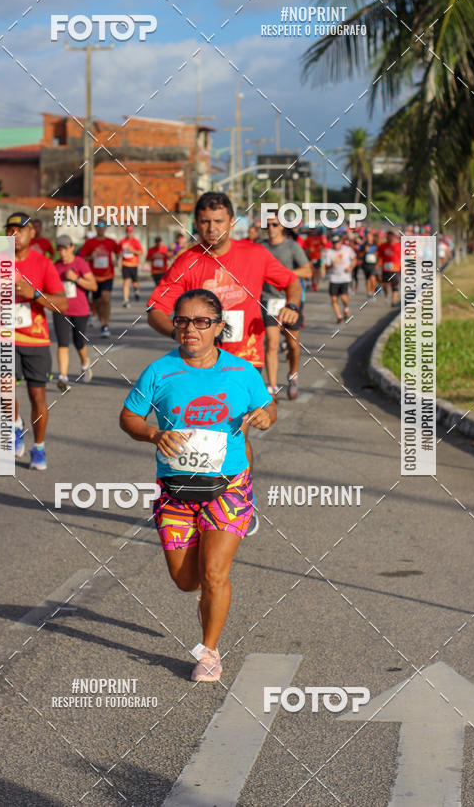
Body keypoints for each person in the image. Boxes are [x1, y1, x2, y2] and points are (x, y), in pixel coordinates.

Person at [121, 288, 276, 682]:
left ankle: (209, 652)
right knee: (186, 581)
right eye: (183, 321)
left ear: (219, 327)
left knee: (214, 574)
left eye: (202, 321)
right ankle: (204, 609)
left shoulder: (241, 372)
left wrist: (263, 416)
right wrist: (154, 435)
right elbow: (128, 418)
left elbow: (268, 408)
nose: (191, 329)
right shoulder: (159, 371)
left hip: (229, 487)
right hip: (174, 492)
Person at [147, 191, 301, 537]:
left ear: (232, 222)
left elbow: (291, 281)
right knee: (201, 432)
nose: (211, 228)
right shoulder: (186, 261)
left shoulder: (255, 254)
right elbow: (155, 309)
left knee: (237, 432)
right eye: (204, 222)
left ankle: (240, 501)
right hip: (197, 364)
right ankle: (195, 500)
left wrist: (293, 305)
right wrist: (180, 334)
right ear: (195, 224)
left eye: (218, 221)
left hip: (244, 360)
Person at [5, 212, 67, 470]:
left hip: (36, 340)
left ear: (32, 233)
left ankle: (38, 447)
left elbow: (62, 304)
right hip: (5, 336)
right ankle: (16, 425)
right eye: (10, 229)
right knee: (4, 389)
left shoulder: (43, 264)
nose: (14, 234)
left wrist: (36, 294)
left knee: (37, 396)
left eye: (20, 229)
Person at [260, 215, 313, 400]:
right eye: (268, 224)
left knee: (292, 343)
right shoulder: (260, 247)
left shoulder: (292, 246)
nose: (271, 227)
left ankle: (293, 374)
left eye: (275, 224)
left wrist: (283, 275)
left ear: (282, 226)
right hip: (268, 300)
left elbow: (307, 270)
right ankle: (273, 387)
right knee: (272, 344)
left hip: (290, 300)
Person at [53, 234, 97, 391]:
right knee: (62, 342)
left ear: (72, 247)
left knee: (79, 341)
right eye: (60, 249)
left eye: (65, 249)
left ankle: (85, 363)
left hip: (80, 310)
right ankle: (63, 377)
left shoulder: (80, 263)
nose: (62, 252)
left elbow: (93, 286)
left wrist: (76, 279)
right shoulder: (55, 266)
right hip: (61, 309)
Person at [78, 221, 119, 338]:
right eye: (98, 226)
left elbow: (118, 252)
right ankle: (95, 314)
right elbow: (81, 258)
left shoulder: (111, 242)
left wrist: (116, 260)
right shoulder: (90, 242)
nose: (100, 228)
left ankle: (104, 325)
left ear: (105, 227)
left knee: (105, 299)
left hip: (108, 275)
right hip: (93, 277)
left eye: (102, 226)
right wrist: (91, 256)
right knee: (96, 301)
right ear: (95, 228)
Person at [322, 234, 356, 322]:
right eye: (334, 243)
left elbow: (355, 259)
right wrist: (331, 265)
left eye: (337, 242)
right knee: (334, 298)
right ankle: (339, 316)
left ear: (341, 242)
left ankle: (346, 308)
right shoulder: (328, 252)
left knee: (344, 297)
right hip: (333, 278)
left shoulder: (347, 249)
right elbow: (326, 267)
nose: (336, 244)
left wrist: (351, 268)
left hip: (345, 277)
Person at [120, 225, 144, 306]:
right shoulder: (122, 241)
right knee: (126, 282)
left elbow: (141, 252)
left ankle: (136, 290)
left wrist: (132, 250)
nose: (129, 233)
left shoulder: (136, 241)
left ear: (132, 232)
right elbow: (119, 252)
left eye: (130, 231)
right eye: (127, 231)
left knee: (135, 283)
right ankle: (126, 300)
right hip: (125, 264)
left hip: (134, 265)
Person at [377, 229, 402, 306]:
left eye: (391, 236)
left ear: (394, 237)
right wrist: (378, 265)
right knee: (384, 284)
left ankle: (394, 301)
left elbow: (402, 257)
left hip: (396, 268)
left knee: (394, 285)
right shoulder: (383, 246)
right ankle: (387, 294)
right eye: (388, 236)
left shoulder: (399, 245)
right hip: (385, 268)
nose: (389, 238)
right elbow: (379, 257)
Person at [358, 229, 379, 297]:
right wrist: (364, 251)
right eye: (367, 237)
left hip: (373, 264)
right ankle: (369, 292)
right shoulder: (364, 245)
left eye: (370, 236)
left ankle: (373, 291)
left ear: (372, 237)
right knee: (367, 279)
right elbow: (360, 255)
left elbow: (379, 254)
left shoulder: (376, 244)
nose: (368, 238)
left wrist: (378, 263)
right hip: (365, 264)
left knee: (372, 278)